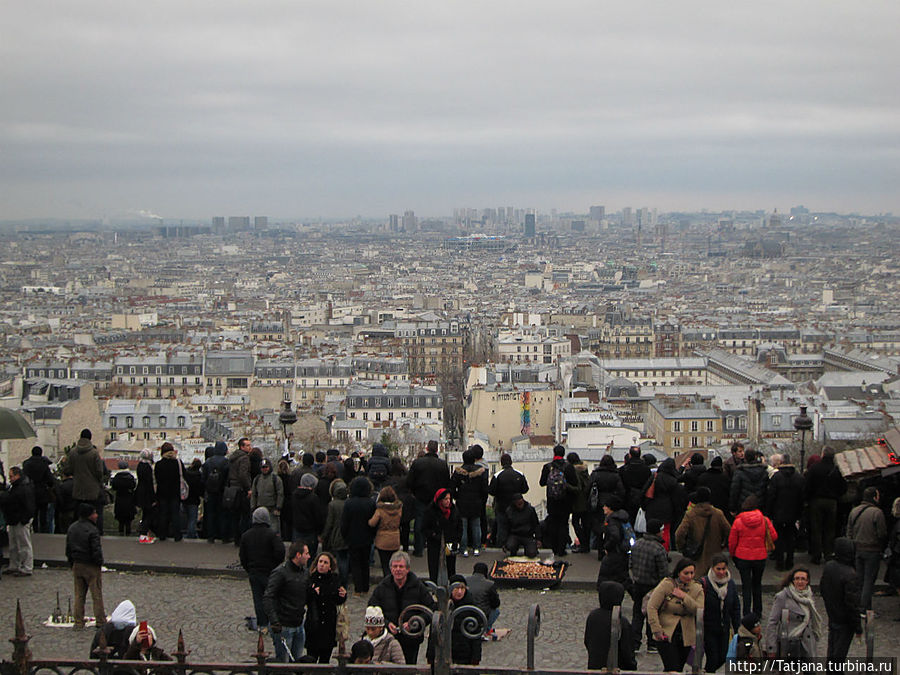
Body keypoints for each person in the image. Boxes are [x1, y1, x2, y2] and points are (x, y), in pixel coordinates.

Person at [368, 550, 437, 664]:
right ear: (391, 568)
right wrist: (386, 623)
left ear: (407, 569)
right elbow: (372, 607)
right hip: (388, 638)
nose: (398, 569)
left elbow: (431, 609)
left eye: (401, 566)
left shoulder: (418, 586)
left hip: (411, 638)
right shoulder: (383, 586)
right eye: (395, 566)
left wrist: (415, 622)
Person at [647, 557, 704, 673]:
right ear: (679, 572)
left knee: (678, 668)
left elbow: (699, 610)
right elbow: (652, 607)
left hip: (686, 635)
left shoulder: (697, 588)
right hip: (667, 633)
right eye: (686, 573)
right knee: (671, 667)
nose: (689, 576)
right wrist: (657, 630)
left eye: (692, 573)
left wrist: (684, 597)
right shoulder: (667, 584)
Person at [729, 495, 776, 618]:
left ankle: (746, 612)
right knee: (757, 584)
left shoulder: (738, 521)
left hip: (743, 557)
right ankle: (758, 611)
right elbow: (774, 536)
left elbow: (732, 541)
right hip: (760, 557)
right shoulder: (764, 520)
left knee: (746, 585)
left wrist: (733, 554)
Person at [264, 541, 311, 662]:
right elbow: (268, 597)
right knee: (283, 664)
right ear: (298, 555)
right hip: (284, 625)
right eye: (306, 553)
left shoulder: (304, 572)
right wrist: (274, 621)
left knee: (297, 661)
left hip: (298, 623)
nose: (309, 556)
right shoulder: (280, 573)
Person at [239, 507, 285, 632]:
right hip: (270, 571)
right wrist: (275, 564)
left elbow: (242, 556)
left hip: (254, 572)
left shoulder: (246, 535)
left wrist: (248, 568)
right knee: (271, 598)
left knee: (258, 599)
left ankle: (262, 624)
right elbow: (280, 552)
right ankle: (273, 622)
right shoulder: (272, 534)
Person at [629, 518, 668, 654]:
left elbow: (631, 564)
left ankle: (634, 642)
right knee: (652, 613)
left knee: (637, 614)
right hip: (653, 586)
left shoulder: (637, 545)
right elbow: (663, 572)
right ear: (657, 532)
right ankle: (652, 643)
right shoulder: (659, 549)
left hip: (638, 584)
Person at [766, 566, 823, 658]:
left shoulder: (808, 597)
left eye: (803, 579)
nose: (800, 582)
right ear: (792, 580)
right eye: (797, 579)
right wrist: (772, 647)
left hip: (807, 643)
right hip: (789, 643)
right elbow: (772, 622)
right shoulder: (782, 596)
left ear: (807, 581)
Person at [820, 537, 861, 664]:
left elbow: (823, 589)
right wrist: (857, 626)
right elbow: (852, 604)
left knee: (832, 651)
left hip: (833, 615)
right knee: (839, 655)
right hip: (844, 620)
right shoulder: (850, 574)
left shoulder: (829, 567)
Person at [406, 439, 450, 557]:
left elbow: (409, 481)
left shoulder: (418, 463)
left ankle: (419, 549)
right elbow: (447, 483)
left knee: (419, 523)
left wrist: (415, 492)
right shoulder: (442, 464)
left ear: (426, 448)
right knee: (437, 523)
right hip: (437, 498)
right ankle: (436, 548)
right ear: (437, 450)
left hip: (420, 497)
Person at [675, 486, 731, 576]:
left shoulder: (691, 514)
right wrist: (724, 544)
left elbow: (680, 533)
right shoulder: (718, 513)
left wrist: (682, 547)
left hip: (697, 555)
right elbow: (729, 530)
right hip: (715, 553)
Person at [66, 502, 106, 629]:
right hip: (91, 566)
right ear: (89, 515)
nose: (96, 515)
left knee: (79, 595)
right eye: (94, 513)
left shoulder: (72, 528)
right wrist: (99, 563)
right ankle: (100, 620)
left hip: (77, 564)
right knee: (96, 595)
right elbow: (96, 550)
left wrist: (72, 562)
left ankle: (78, 621)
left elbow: (68, 548)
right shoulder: (93, 530)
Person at [847, 486, 887, 611]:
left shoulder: (854, 511)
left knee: (859, 579)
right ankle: (863, 607)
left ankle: (861, 604)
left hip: (857, 549)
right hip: (872, 550)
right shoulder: (877, 513)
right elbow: (882, 533)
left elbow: (849, 531)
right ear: (875, 497)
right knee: (869, 580)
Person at [805, 446, 847, 564]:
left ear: (822, 454)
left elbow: (807, 485)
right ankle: (828, 553)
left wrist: (808, 499)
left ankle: (816, 555)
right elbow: (843, 487)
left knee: (816, 528)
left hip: (816, 501)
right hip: (832, 502)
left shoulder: (814, 468)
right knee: (830, 529)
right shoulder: (836, 469)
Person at [700, 553, 741, 672]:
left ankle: (706, 672)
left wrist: (737, 628)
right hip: (709, 628)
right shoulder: (704, 583)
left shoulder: (731, 584)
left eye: (724, 569)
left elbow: (735, 607)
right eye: (718, 569)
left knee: (724, 656)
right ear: (712, 568)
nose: (721, 572)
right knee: (712, 657)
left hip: (725, 628)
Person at [584, 580, 637, 671]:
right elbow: (626, 651)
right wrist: (632, 666)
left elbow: (587, 641)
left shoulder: (593, 616)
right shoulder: (621, 621)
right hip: (617, 668)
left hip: (594, 666)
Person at [305, 551, 347, 663]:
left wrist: (343, 596)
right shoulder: (311, 579)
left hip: (328, 625)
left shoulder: (334, 579)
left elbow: (338, 600)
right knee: (311, 658)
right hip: (314, 623)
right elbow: (305, 599)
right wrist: (312, 593)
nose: (322, 564)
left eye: (325, 562)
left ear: (330, 567)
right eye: (320, 562)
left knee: (325, 660)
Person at [766, 453, 805, 570]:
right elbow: (802, 497)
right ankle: (790, 560)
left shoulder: (776, 477)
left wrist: (769, 513)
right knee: (790, 538)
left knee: (779, 538)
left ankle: (779, 562)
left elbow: (771, 496)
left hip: (778, 513)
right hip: (793, 514)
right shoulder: (799, 477)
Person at [539, 445, 578, 556]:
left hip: (551, 501)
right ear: (563, 453)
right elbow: (574, 483)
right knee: (563, 524)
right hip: (565, 501)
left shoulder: (548, 467)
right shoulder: (568, 467)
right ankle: (561, 549)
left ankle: (554, 548)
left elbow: (542, 482)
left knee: (553, 524)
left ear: (554, 453)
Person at [642, 457, 686, 551]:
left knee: (651, 531)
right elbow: (677, 499)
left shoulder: (655, 476)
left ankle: (650, 550)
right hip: (667, 510)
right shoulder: (673, 481)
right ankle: (664, 551)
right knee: (665, 532)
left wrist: (645, 506)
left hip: (652, 508)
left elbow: (644, 492)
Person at [341, 476, 376, 594]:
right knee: (365, 563)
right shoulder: (370, 503)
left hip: (352, 537)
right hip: (367, 537)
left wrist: (345, 535)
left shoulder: (349, 503)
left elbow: (344, 522)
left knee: (355, 563)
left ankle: (358, 587)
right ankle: (366, 587)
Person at [451, 448, 488, 557]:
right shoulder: (481, 471)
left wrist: (457, 497)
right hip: (476, 502)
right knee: (476, 525)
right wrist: (482, 500)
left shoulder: (458, 472)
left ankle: (464, 548)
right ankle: (477, 547)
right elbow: (485, 489)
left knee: (463, 526)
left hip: (462, 502)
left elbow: (452, 488)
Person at [488, 453, 528, 551]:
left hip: (502, 506)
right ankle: (515, 546)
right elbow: (525, 489)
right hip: (516, 507)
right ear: (511, 462)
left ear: (501, 463)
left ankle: (501, 547)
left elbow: (491, 491)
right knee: (516, 528)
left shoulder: (497, 475)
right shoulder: (519, 474)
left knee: (502, 529)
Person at [1, 466, 35, 577]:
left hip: (20, 519)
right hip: (14, 519)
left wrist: (25, 519)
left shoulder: (22, 488)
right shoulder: (18, 487)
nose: (10, 478)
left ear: (17, 475)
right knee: (14, 545)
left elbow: (28, 505)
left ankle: (26, 567)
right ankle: (15, 565)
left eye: (11, 476)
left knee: (23, 544)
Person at [588, 455, 626, 553]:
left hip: (598, 502)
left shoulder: (595, 474)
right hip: (611, 503)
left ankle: (600, 549)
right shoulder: (616, 475)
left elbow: (588, 488)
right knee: (611, 526)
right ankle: (608, 548)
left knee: (599, 527)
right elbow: (621, 491)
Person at [69, 429, 106, 529]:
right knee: (95, 513)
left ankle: (77, 532)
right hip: (93, 490)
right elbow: (99, 471)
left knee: (79, 514)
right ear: (90, 438)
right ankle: (97, 532)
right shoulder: (94, 453)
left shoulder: (72, 452)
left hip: (78, 489)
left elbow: (69, 469)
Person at [423, 487, 461, 581]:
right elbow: (424, 528)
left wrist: (457, 540)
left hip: (450, 543)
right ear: (440, 500)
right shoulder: (431, 511)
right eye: (445, 499)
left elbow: (459, 527)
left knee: (451, 567)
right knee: (434, 566)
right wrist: (433, 535)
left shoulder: (454, 510)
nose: (448, 501)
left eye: (449, 499)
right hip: (435, 543)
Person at [596, 496, 631, 589]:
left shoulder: (612, 520)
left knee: (605, 577)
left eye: (605, 506)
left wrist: (607, 547)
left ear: (610, 508)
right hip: (622, 552)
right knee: (623, 578)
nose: (603, 508)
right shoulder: (621, 518)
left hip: (615, 553)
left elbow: (615, 536)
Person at [153, 443, 184, 542]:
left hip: (162, 493)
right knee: (175, 514)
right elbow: (183, 476)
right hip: (175, 492)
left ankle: (162, 534)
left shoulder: (159, 464)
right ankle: (177, 535)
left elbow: (156, 479)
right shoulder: (178, 463)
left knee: (163, 514)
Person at [369, 485, 402, 577]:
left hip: (382, 539)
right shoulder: (398, 509)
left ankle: (387, 582)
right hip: (395, 538)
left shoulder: (380, 510)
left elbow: (372, 523)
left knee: (385, 564)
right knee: (393, 563)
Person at [321, 478, 349, 587]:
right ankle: (344, 581)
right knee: (345, 558)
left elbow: (329, 523)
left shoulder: (332, 505)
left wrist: (324, 535)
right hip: (347, 535)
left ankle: (340, 581)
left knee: (340, 558)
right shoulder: (347, 503)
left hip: (337, 535)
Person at [226, 437, 253, 546]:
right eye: (247, 445)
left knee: (235, 516)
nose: (250, 447)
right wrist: (248, 488)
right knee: (245, 516)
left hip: (232, 488)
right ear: (242, 447)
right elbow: (243, 474)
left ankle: (236, 538)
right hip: (241, 489)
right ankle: (243, 539)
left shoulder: (233, 457)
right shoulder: (244, 458)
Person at [201, 441, 229, 543]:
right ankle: (223, 536)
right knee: (223, 514)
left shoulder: (208, 462)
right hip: (222, 492)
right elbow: (228, 478)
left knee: (210, 514)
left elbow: (203, 478)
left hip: (210, 491)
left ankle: (210, 536)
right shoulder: (226, 462)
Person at [22, 446, 55, 533]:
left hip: (31, 491)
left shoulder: (26, 464)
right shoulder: (44, 464)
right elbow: (50, 479)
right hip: (42, 491)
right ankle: (43, 531)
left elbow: (23, 478)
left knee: (34, 513)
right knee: (43, 513)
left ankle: (35, 529)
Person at [729, 448, 769, 517]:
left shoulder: (739, 472)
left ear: (745, 458)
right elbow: (767, 490)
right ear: (755, 457)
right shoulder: (764, 472)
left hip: (743, 506)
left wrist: (732, 508)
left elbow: (734, 490)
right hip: (760, 506)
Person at [467, 562, 501, 638]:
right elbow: (495, 603)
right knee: (496, 611)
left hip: (467, 611)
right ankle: (485, 629)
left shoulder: (466, 580)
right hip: (482, 613)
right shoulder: (489, 584)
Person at [619, 446, 651, 526]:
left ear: (630, 455)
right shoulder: (646, 469)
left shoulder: (623, 469)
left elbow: (620, 486)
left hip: (627, 500)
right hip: (642, 499)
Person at [251, 458, 284, 526]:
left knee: (274, 530)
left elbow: (280, 494)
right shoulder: (257, 479)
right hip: (259, 509)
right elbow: (254, 494)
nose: (264, 469)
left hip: (272, 510)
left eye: (266, 467)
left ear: (270, 467)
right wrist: (253, 507)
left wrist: (278, 507)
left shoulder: (275, 479)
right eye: (262, 467)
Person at [505, 493, 539, 557]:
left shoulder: (530, 509)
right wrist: (505, 541)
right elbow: (506, 526)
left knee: (531, 553)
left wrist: (538, 538)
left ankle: (531, 550)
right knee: (511, 546)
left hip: (528, 535)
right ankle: (513, 550)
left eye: (521, 503)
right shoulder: (509, 511)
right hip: (515, 534)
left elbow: (536, 524)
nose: (520, 505)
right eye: (518, 503)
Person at [110, 460, 137, 537]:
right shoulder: (130, 477)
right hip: (129, 500)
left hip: (119, 500)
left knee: (120, 520)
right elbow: (133, 486)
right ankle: (128, 533)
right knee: (128, 520)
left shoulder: (116, 477)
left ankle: (121, 533)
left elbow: (114, 487)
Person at [135, 450, 156, 544]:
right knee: (149, 514)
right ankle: (143, 535)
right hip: (147, 493)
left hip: (140, 492)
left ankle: (143, 534)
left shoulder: (139, 465)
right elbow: (150, 483)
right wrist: (153, 497)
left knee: (145, 513)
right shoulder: (148, 467)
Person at [182, 458, 203, 539]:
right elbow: (200, 489)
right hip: (194, 500)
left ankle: (189, 533)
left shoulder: (186, 474)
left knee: (187, 517)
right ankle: (191, 534)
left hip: (185, 497)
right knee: (192, 519)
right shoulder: (199, 476)